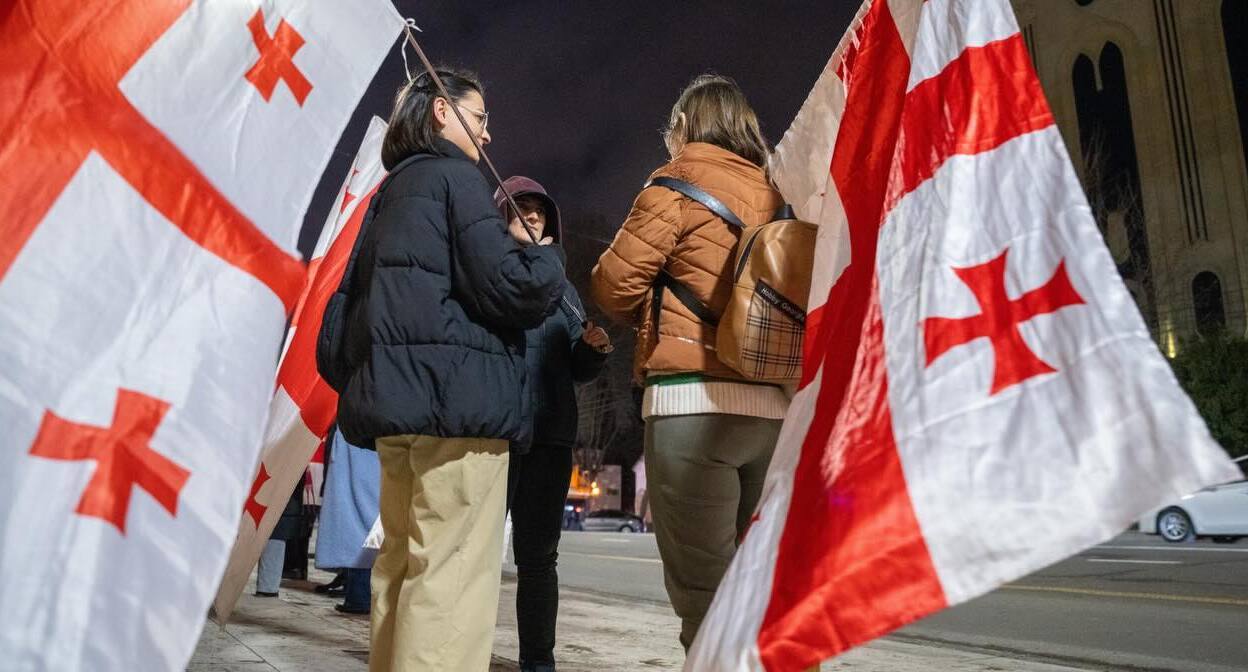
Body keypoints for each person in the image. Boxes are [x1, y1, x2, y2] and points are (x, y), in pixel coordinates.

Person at [330, 68, 567, 672]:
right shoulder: (455, 181)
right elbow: (510, 287)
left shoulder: (390, 192)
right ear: (443, 111)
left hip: (398, 416)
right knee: (451, 580)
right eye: (481, 117)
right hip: (460, 415)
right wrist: (547, 261)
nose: (487, 135)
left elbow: (345, 315)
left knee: (402, 569)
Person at [590, 74, 788, 651]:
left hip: (691, 407)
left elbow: (613, 285)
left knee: (707, 604)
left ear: (685, 126)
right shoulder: (781, 195)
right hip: (771, 413)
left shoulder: (674, 187)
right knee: (761, 595)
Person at [493, 176, 611, 672]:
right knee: (471, 558)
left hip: (549, 439)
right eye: (522, 206)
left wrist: (591, 351)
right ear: (501, 215)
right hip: (493, 435)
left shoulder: (563, 290)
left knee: (538, 560)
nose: (533, 215)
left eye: (540, 209)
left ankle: (538, 662)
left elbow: (575, 370)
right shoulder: (487, 270)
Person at [315, 425, 380, 615]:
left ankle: (359, 595)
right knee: (367, 522)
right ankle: (361, 594)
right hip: (377, 442)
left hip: (357, 438)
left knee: (356, 524)